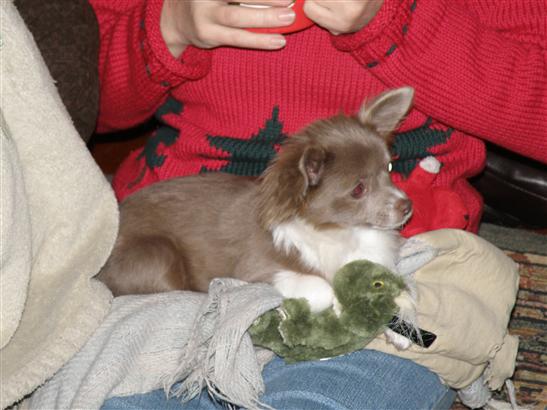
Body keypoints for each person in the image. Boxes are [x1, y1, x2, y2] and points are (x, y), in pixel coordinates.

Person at [88, 0, 545, 407]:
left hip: (407, 253)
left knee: (338, 389)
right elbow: (66, 93)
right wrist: (169, 24)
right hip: (173, 253)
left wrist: (397, 20)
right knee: (129, 389)